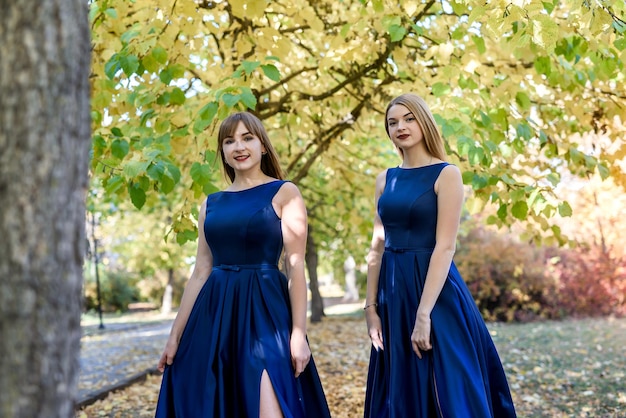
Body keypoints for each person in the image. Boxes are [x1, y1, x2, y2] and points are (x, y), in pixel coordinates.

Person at [155, 111, 331, 418]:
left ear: (263, 146)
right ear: (222, 151)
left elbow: (294, 266)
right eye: (229, 140)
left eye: (247, 138)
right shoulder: (210, 203)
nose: (239, 146)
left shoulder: (285, 192)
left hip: (265, 312)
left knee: (270, 401)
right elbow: (200, 271)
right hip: (212, 316)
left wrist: (299, 333)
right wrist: (175, 335)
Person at [363, 93, 517, 417]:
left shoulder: (447, 174)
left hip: (435, 292)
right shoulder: (384, 180)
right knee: (400, 386)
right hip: (393, 292)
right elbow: (376, 246)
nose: (400, 127)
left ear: (424, 122)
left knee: (446, 383)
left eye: (408, 118)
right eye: (393, 122)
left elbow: (445, 246)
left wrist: (424, 315)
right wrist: (371, 307)